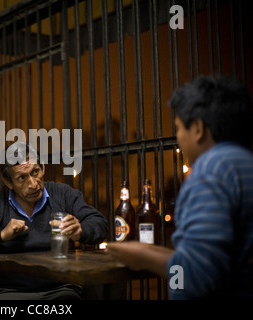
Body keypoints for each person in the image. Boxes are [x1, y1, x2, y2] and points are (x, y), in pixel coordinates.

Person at [106, 76, 253, 299]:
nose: (178, 137)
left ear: (197, 128)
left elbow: (196, 279)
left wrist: (145, 259)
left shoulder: (210, 171)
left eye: (178, 128)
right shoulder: (244, 163)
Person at [0, 142, 108, 300]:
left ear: (43, 167)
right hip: (9, 292)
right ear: (8, 182)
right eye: (22, 178)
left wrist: (81, 230)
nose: (33, 184)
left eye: (35, 172)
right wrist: (1, 236)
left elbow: (99, 223)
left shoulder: (63, 194)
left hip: (61, 289)